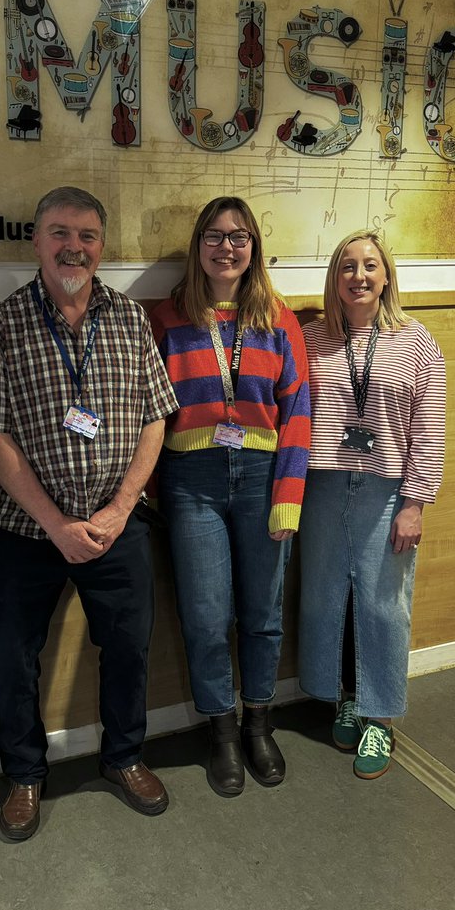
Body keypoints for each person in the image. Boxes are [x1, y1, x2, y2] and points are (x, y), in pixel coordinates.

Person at [0, 186, 178, 841]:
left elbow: (155, 419)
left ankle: (124, 756)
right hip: (25, 528)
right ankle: (25, 776)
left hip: (116, 522)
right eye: (60, 232)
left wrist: (120, 509)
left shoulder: (129, 319)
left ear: (102, 247)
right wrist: (56, 524)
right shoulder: (6, 325)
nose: (74, 247)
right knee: (10, 654)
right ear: (36, 240)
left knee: (127, 646)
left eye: (87, 236)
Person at [150, 197, 311, 796]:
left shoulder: (278, 320)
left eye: (239, 237)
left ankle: (259, 720)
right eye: (215, 236)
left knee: (264, 614)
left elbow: (299, 411)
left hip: (264, 478)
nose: (227, 247)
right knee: (207, 617)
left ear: (254, 248)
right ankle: (220, 729)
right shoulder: (167, 318)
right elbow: (148, 413)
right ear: (198, 246)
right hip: (192, 483)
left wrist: (288, 493)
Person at [297, 230, 445, 779]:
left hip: (386, 490)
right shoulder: (311, 340)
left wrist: (416, 502)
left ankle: (379, 715)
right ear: (335, 280)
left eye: (369, 266)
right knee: (324, 598)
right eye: (347, 267)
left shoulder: (416, 342)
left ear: (386, 277)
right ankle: (344, 696)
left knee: (383, 605)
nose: (358, 277)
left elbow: (428, 428)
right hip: (323, 485)